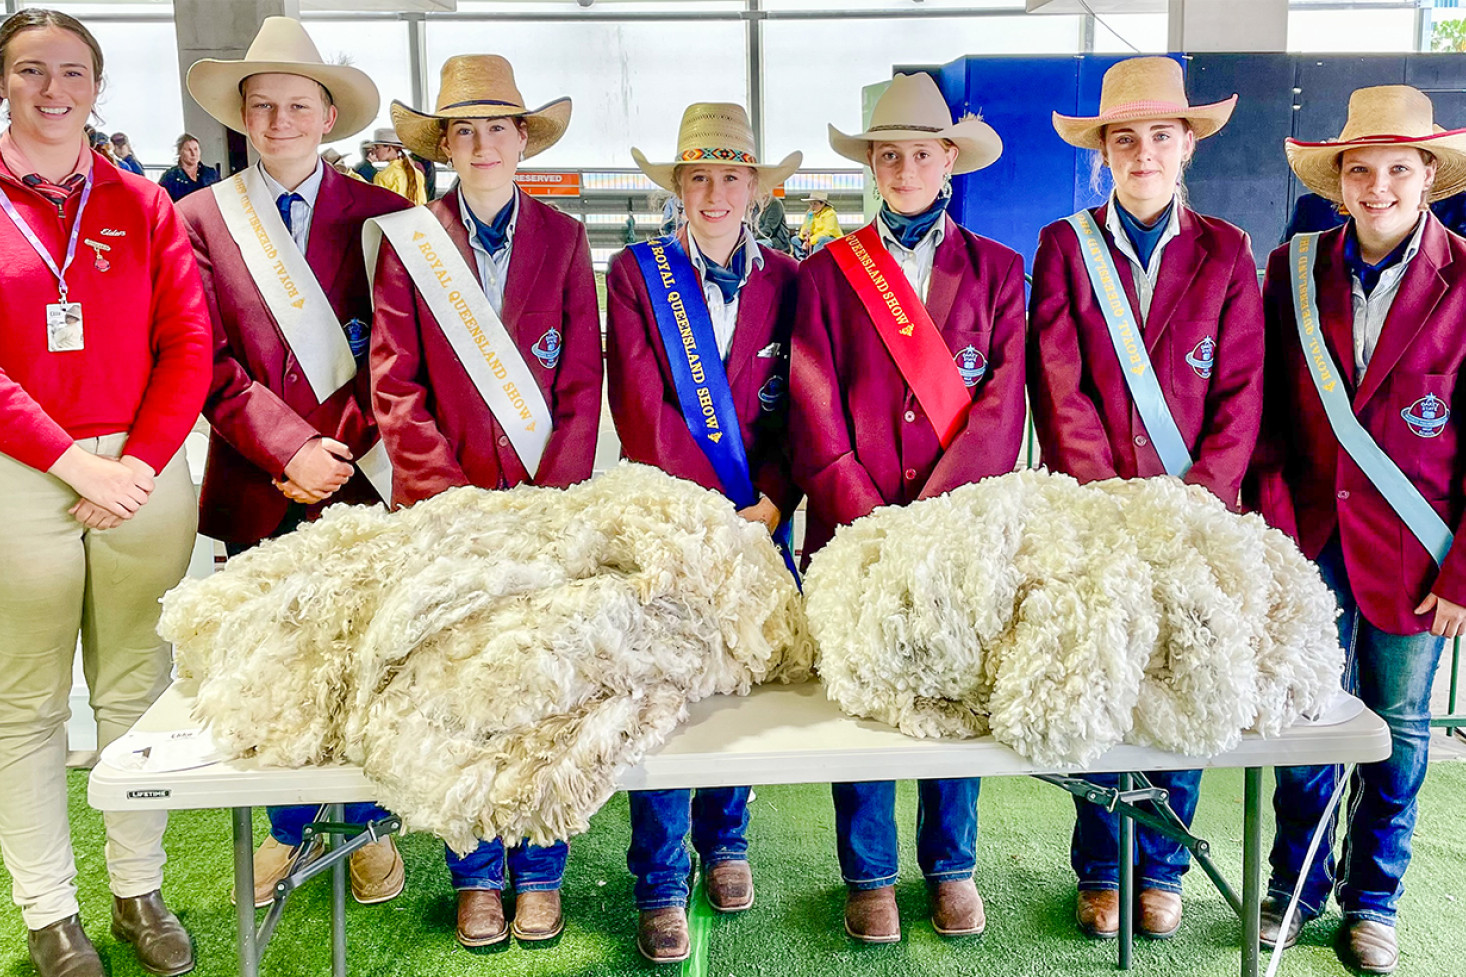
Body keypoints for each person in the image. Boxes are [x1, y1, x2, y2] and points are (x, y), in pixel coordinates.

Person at [366, 54, 600, 949]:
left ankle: (540, 864)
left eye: (498, 127)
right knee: (456, 694)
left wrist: (550, 498)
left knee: (549, 688)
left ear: (523, 140)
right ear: (444, 146)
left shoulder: (566, 238)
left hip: (548, 506)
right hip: (446, 513)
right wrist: (454, 502)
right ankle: (473, 868)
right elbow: (396, 385)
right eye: (464, 129)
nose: (482, 143)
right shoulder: (408, 241)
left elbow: (583, 379)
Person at [179, 15, 411, 910]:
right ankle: (285, 824)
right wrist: (287, 447)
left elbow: (396, 354)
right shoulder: (198, 215)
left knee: (362, 655)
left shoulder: (383, 216)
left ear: (328, 116)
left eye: (298, 105)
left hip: (360, 473)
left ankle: (364, 826)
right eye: (263, 105)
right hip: (257, 475)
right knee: (273, 662)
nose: (280, 120)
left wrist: (335, 447)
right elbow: (202, 358)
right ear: (243, 115)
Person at [1028, 56, 1262, 942]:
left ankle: (1161, 867)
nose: (1143, 153)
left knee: (1183, 678)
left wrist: (1194, 501)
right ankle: (1099, 865)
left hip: (1198, 513)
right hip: (1099, 512)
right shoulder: (1064, 246)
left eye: (1161, 136)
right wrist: (1114, 501)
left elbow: (1241, 392)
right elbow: (1060, 380)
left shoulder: (1231, 252)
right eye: (1125, 139)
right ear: (1104, 153)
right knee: (1105, 678)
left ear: (1187, 146)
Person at [789, 71, 1025, 944]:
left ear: (949, 161)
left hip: (957, 526)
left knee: (955, 690)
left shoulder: (1000, 271)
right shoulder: (824, 274)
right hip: (857, 527)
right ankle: (868, 872)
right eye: (887, 154)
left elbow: (1004, 405)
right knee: (865, 690)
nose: (902, 166)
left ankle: (952, 865)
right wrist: (869, 519)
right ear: (871, 166)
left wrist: (935, 515)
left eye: (919, 152)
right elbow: (812, 403)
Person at [0, 10, 212, 977]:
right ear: (4, 81)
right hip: (22, 472)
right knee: (28, 701)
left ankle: (137, 890)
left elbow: (189, 342)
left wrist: (137, 459)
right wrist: (72, 462)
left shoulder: (143, 203)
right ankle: (49, 908)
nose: (55, 89)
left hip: (144, 470)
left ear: (97, 85)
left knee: (136, 691)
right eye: (32, 70)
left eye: (74, 72)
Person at [1247, 84, 1466, 976]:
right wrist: (1271, 534)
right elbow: (1262, 420)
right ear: (1339, 180)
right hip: (1306, 543)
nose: (1378, 185)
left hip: (1422, 554)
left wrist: (1464, 575)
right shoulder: (1290, 267)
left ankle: (1374, 899)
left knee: (1401, 730)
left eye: (1398, 169)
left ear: (1429, 178)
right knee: (1304, 719)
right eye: (1361, 169)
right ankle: (1293, 883)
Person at [606, 102, 802, 963]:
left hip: (762, 519)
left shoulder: (792, 281)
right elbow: (640, 402)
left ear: (756, 187)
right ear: (678, 188)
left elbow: (807, 406)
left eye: (731, 177)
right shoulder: (633, 272)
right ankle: (657, 874)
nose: (715, 193)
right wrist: (701, 513)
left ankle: (727, 841)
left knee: (742, 689)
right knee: (660, 693)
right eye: (698, 178)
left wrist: (778, 497)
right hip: (671, 523)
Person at [367, 126, 426, 205]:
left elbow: (379, 207)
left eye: (377, 148)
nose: (375, 151)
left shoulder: (383, 176)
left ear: (389, 148)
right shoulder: (417, 174)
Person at [157, 133, 219, 202]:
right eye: (189, 150)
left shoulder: (211, 174)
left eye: (196, 149)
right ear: (180, 152)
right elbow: (161, 202)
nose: (193, 154)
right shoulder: (170, 177)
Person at [796, 189, 840, 255]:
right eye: (811, 204)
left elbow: (827, 232)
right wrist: (803, 235)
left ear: (823, 204)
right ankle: (802, 260)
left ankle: (815, 260)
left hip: (829, 239)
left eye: (815, 204)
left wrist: (810, 241)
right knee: (795, 239)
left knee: (823, 239)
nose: (812, 206)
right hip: (812, 239)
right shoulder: (810, 213)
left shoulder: (830, 213)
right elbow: (804, 227)